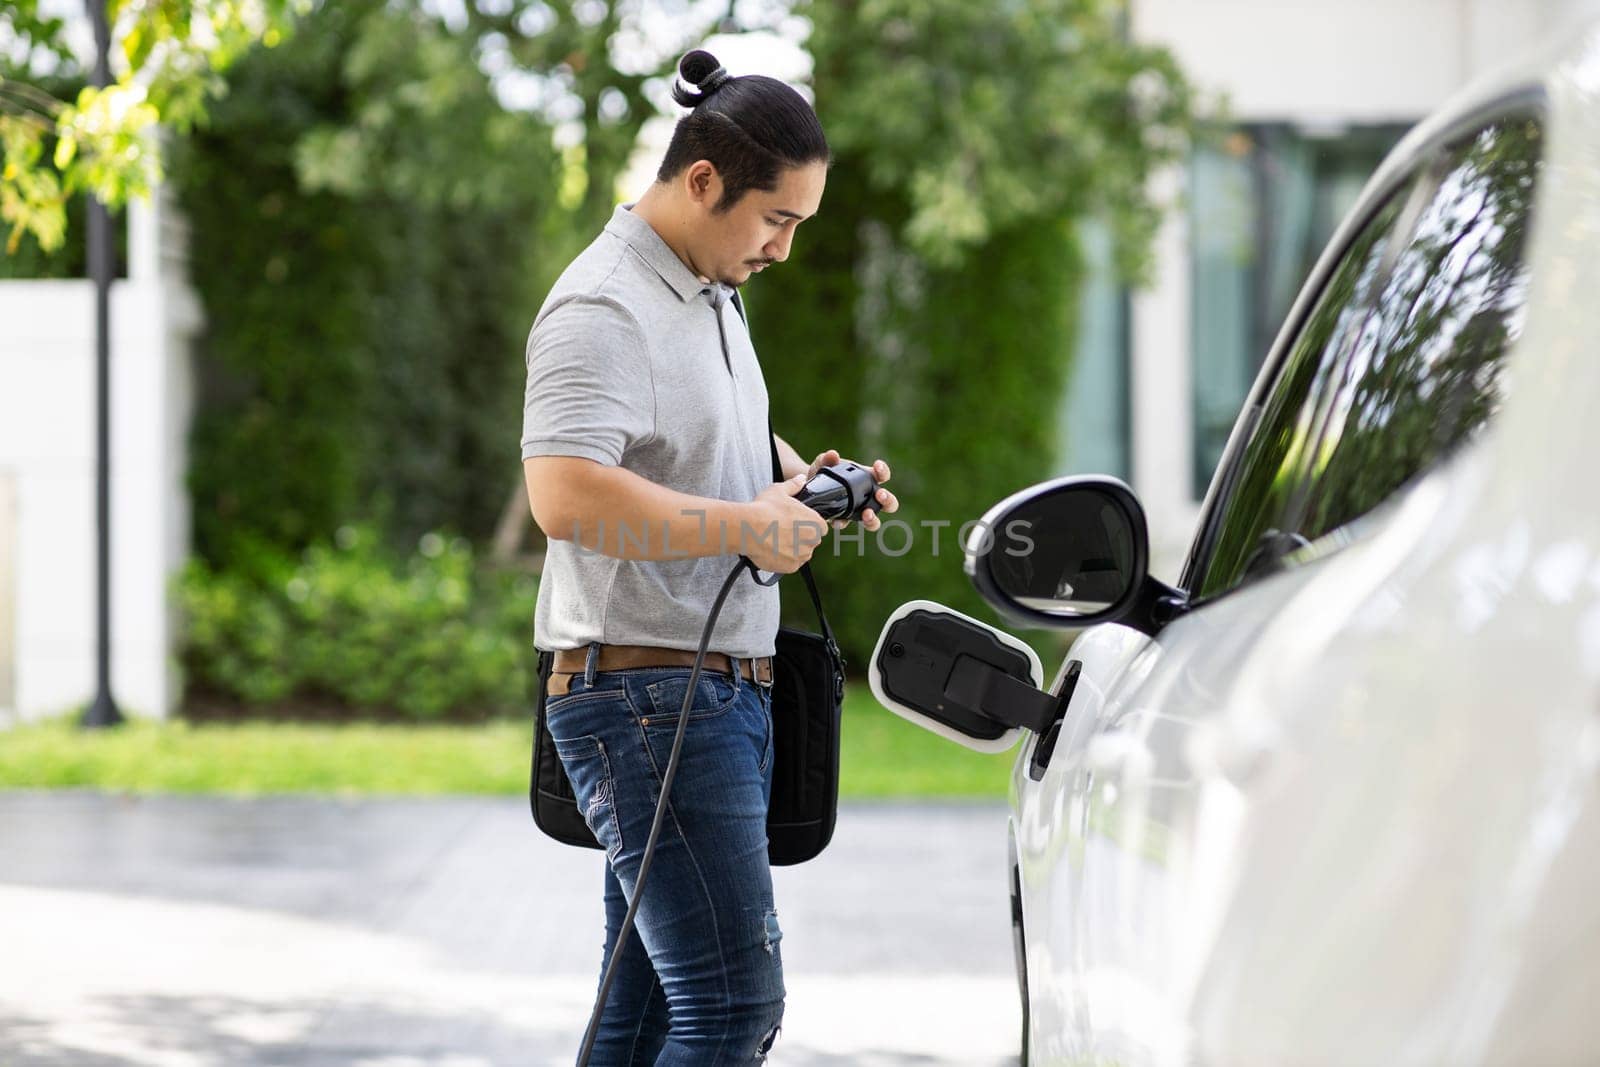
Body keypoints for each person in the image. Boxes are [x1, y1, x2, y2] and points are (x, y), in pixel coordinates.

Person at [520, 48, 899, 1065]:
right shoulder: (604, 305)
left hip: (699, 696)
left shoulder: (708, 285)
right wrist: (743, 525)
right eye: (777, 218)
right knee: (733, 1004)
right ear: (701, 183)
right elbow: (562, 493)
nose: (782, 248)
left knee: (643, 1014)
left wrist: (801, 479)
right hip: (647, 703)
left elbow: (704, 439)